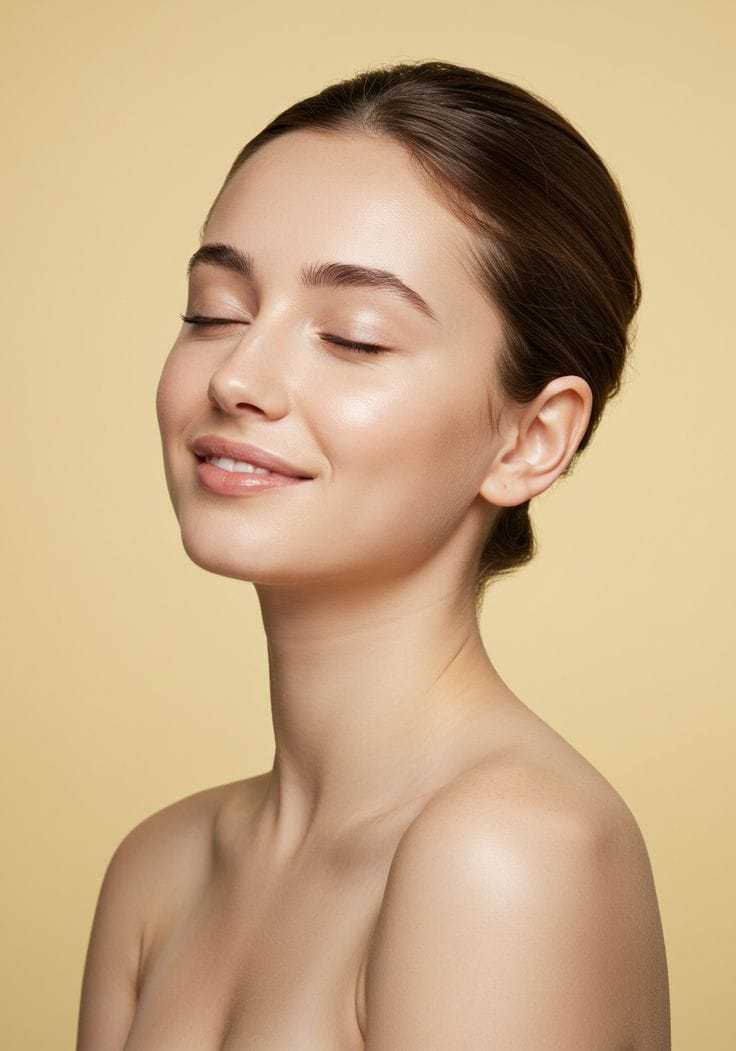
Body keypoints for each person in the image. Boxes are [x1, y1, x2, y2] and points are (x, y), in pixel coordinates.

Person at [77, 60, 670, 1049]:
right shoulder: (161, 870)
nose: (239, 376)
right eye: (213, 311)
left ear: (531, 439)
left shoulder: (510, 853)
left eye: (351, 337)